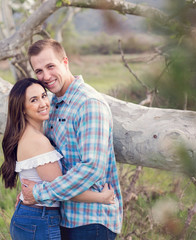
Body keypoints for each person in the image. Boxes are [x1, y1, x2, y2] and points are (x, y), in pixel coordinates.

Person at [21, 39, 123, 240]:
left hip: (91, 220)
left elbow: (92, 168)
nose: (46, 76)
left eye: (51, 66)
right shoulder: (51, 103)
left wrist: (39, 193)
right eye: (39, 71)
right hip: (62, 217)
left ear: (65, 62)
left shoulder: (88, 104)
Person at [0, 78, 116, 240]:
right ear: (22, 108)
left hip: (33, 218)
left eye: (43, 96)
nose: (43, 103)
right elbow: (62, 189)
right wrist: (101, 198)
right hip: (39, 220)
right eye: (34, 100)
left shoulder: (30, 135)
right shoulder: (37, 142)